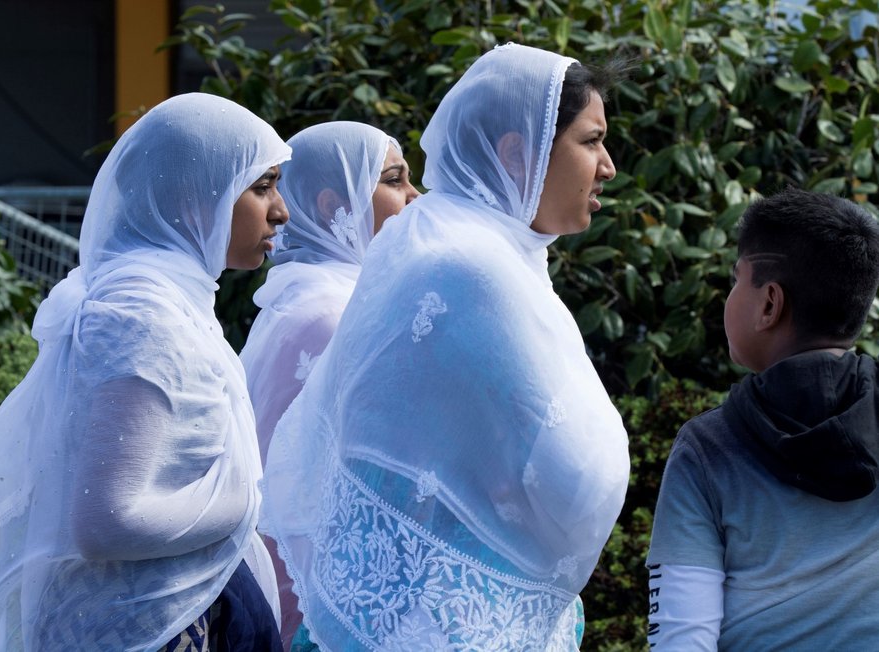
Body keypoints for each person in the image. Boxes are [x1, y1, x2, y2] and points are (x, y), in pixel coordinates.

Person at [259, 43, 630, 651]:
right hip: (434, 619)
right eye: (591, 141)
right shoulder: (472, 269)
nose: (608, 166)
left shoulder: (453, 242)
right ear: (518, 153)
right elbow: (576, 473)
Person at [0, 92, 291, 651]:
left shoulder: (170, 299)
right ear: (195, 197)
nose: (280, 210)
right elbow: (107, 522)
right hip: (134, 629)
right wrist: (245, 498)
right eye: (261, 186)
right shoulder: (144, 316)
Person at [646, 187, 879, 650]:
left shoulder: (708, 448)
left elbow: (681, 638)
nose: (729, 296)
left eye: (737, 279)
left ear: (769, 303)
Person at [240, 121, 419, 649]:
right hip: (312, 598)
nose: (415, 196)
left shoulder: (322, 297)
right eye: (394, 179)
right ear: (330, 205)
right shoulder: (330, 315)